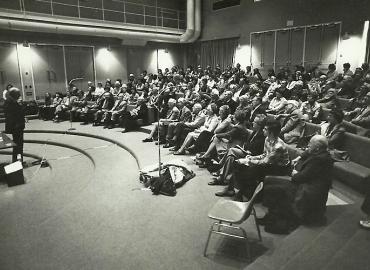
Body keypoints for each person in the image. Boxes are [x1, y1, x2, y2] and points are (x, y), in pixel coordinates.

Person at [260, 135, 333, 234]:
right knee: (268, 180)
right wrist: (299, 157)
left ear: (317, 148)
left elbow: (300, 178)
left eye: (310, 144)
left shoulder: (319, 160)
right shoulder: (320, 152)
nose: (308, 146)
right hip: (304, 183)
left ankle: (281, 222)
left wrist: (295, 174)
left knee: (275, 189)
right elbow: (307, 152)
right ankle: (270, 215)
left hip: (308, 191)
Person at [215, 119, 291, 198]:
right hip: (270, 163)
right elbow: (264, 154)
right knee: (238, 163)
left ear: (271, 132)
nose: (263, 130)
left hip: (280, 168)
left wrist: (249, 161)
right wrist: (252, 157)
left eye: (265, 129)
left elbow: (265, 162)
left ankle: (243, 194)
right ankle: (231, 189)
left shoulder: (278, 146)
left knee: (250, 169)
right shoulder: (267, 139)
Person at [4, 87, 25, 162]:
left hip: (17, 126)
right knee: (18, 145)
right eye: (18, 93)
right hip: (16, 127)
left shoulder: (11, 101)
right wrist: (20, 105)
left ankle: (18, 160)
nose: (19, 95)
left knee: (18, 145)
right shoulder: (10, 102)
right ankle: (17, 161)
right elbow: (12, 115)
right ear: (14, 94)